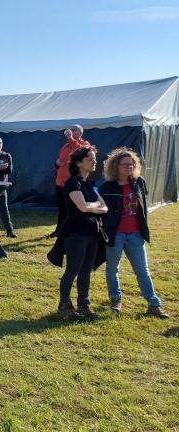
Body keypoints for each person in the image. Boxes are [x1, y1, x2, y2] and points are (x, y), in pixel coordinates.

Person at [100, 148, 169, 318]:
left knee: (142, 270)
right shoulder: (106, 187)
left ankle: (154, 304)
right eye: (125, 165)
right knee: (112, 269)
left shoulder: (139, 182)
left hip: (136, 235)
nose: (129, 167)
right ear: (115, 166)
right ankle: (115, 300)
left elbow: (142, 206)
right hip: (116, 235)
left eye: (132, 164)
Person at [47, 146, 108, 319]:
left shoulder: (91, 184)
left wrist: (92, 207)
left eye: (94, 159)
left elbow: (105, 207)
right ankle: (64, 306)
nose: (94, 162)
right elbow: (81, 207)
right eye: (90, 159)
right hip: (75, 233)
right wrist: (94, 206)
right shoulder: (72, 183)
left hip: (92, 232)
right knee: (72, 270)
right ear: (79, 163)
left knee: (86, 270)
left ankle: (84, 305)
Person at [50, 125, 94, 237]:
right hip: (60, 182)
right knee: (62, 209)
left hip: (73, 184)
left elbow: (79, 151)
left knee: (72, 209)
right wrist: (57, 163)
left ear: (80, 132)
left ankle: (68, 231)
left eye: (73, 130)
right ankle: (59, 231)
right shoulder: (65, 146)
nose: (70, 131)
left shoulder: (85, 145)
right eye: (70, 129)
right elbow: (58, 162)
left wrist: (70, 138)